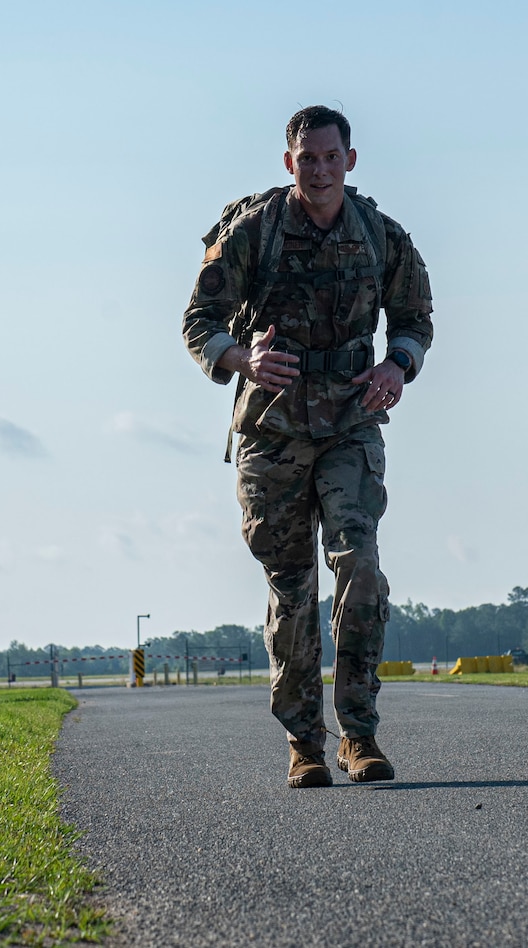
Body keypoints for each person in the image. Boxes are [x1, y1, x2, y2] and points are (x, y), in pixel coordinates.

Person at [181, 105, 433, 788]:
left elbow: (415, 319)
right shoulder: (254, 231)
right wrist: (241, 357)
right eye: (306, 158)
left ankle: (360, 734)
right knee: (291, 589)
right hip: (273, 428)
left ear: (350, 160)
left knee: (362, 568)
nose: (319, 170)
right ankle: (304, 743)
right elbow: (197, 321)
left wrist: (395, 365)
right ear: (288, 161)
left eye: (330, 157)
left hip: (351, 421)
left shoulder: (381, 236)